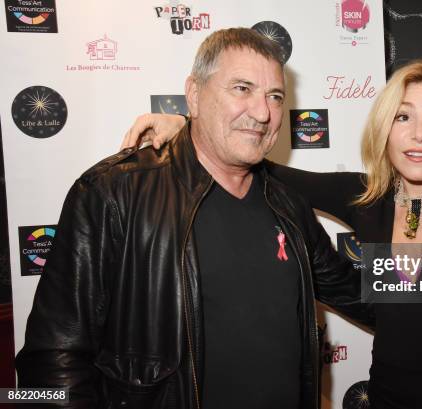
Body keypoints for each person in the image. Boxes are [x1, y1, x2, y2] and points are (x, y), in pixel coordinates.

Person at [122, 1, 422, 408]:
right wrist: (186, 129)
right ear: (386, 128)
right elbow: (257, 165)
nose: (418, 134)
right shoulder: (368, 197)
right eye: (403, 116)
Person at [16, 28, 372, 409]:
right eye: (242, 88)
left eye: (275, 96)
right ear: (195, 95)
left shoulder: (288, 206)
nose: (263, 112)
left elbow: (362, 293)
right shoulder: (113, 193)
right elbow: (52, 359)